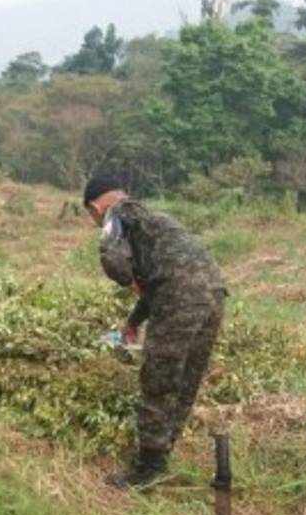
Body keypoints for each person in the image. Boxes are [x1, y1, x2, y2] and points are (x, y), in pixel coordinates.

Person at [83, 176, 226, 489]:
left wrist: (128, 282)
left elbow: (112, 257)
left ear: (95, 208)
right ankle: (163, 452)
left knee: (158, 381)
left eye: (92, 217)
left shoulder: (114, 216)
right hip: (214, 295)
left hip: (179, 298)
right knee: (186, 380)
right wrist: (134, 321)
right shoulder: (153, 219)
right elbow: (164, 273)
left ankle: (148, 469)